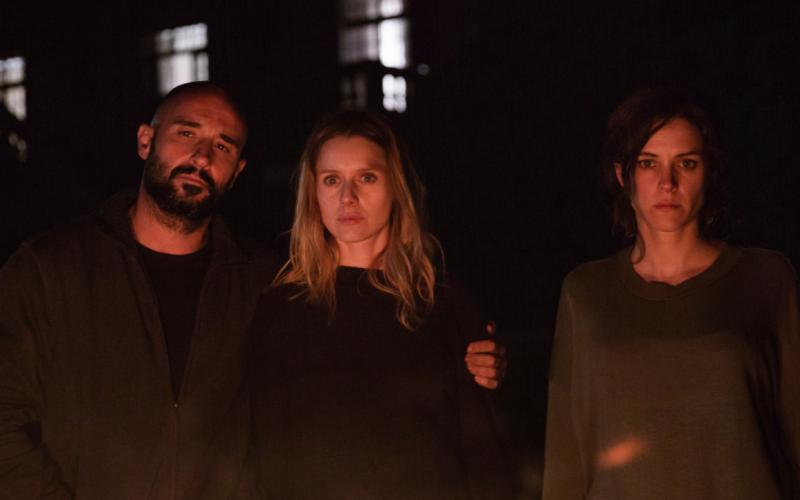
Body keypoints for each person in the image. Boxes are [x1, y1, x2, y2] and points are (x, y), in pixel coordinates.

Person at [0, 82, 505, 499]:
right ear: (145, 141)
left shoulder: (261, 282)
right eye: (186, 133)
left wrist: (487, 358)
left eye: (223, 146)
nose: (201, 156)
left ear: (237, 171)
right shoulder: (50, 271)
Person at [542, 85, 800, 499]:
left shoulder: (766, 278)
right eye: (648, 163)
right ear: (623, 175)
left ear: (708, 172)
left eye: (686, 163)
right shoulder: (586, 292)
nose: (667, 183)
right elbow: (565, 458)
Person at [249, 109, 512, 499]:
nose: (347, 197)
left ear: (396, 187)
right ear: (313, 193)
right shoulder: (281, 308)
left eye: (366, 177)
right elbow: (264, 454)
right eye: (332, 179)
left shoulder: (442, 300)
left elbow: (484, 454)